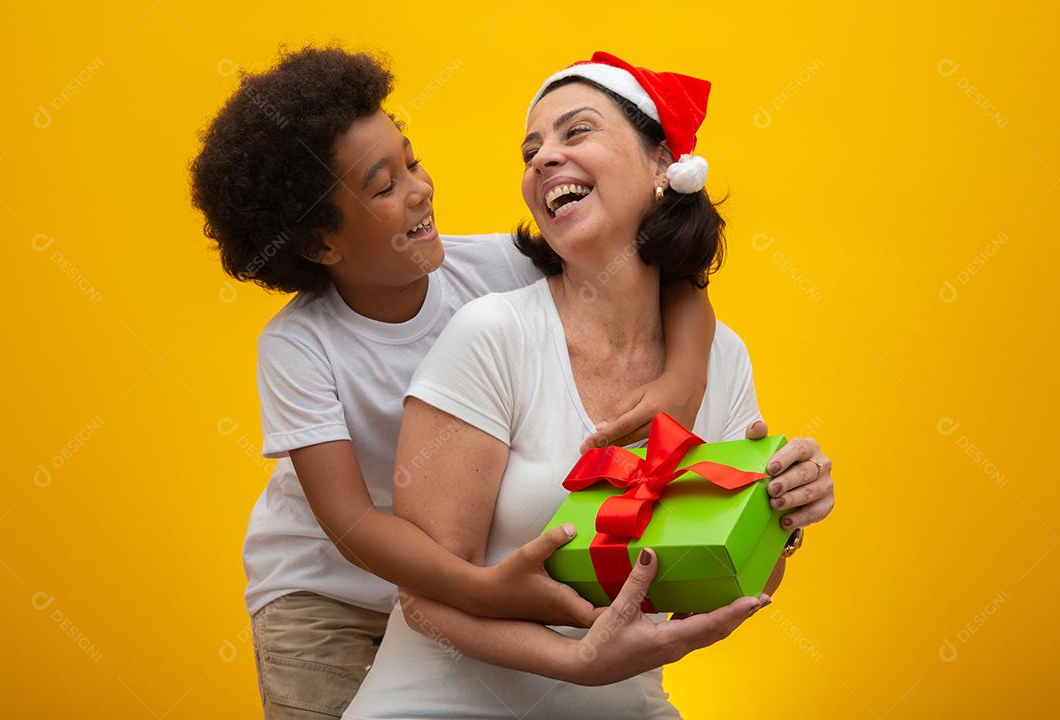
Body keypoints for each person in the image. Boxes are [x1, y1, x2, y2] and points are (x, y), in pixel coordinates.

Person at [190, 47, 721, 718]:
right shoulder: (298, 347)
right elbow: (351, 521)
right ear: (321, 245)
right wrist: (482, 589)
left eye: (411, 160)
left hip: (448, 579)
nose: (418, 188)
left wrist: (684, 377)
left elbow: (662, 275)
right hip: (324, 598)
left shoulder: (498, 267)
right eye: (383, 187)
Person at [343, 52, 836, 719]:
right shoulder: (493, 334)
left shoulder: (721, 358)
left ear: (663, 163)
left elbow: (726, 585)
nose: (543, 158)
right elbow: (422, 599)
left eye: (576, 133)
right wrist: (576, 663)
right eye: (531, 149)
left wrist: (780, 515)